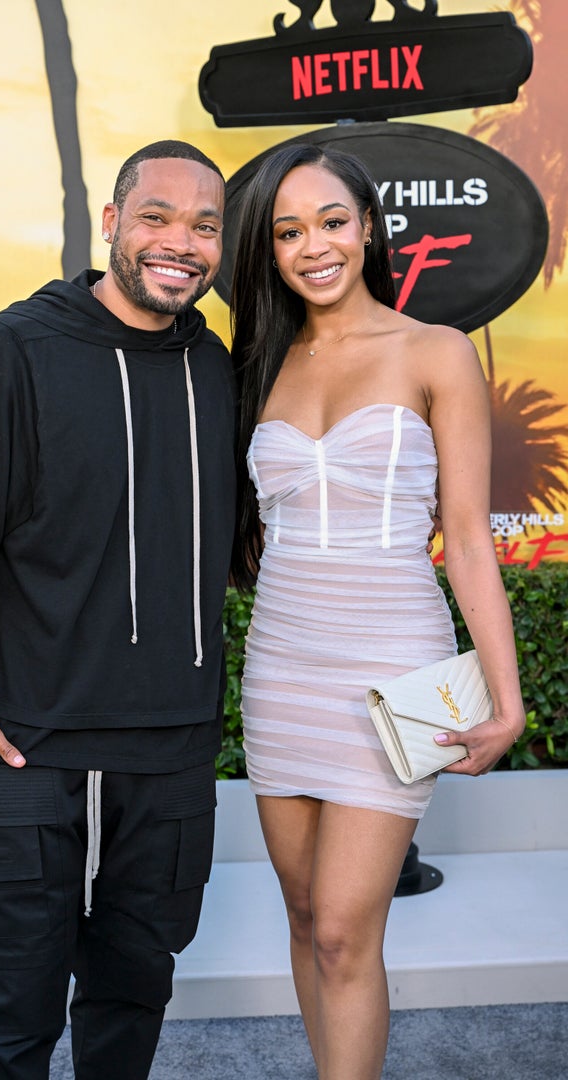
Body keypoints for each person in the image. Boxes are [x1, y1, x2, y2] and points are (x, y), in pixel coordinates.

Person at [0, 140, 235, 1080]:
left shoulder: (217, 370)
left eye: (206, 225)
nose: (181, 243)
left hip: (169, 749)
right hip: (23, 741)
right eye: (157, 216)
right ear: (111, 224)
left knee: (133, 992)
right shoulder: (10, 351)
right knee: (7, 1003)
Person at [229, 143, 526, 1080]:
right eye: (288, 230)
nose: (313, 245)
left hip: (400, 668)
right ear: (268, 250)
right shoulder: (256, 365)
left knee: (349, 930)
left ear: (368, 227)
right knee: (309, 920)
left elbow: (469, 541)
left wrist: (505, 701)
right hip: (281, 666)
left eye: (330, 220)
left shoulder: (435, 352)